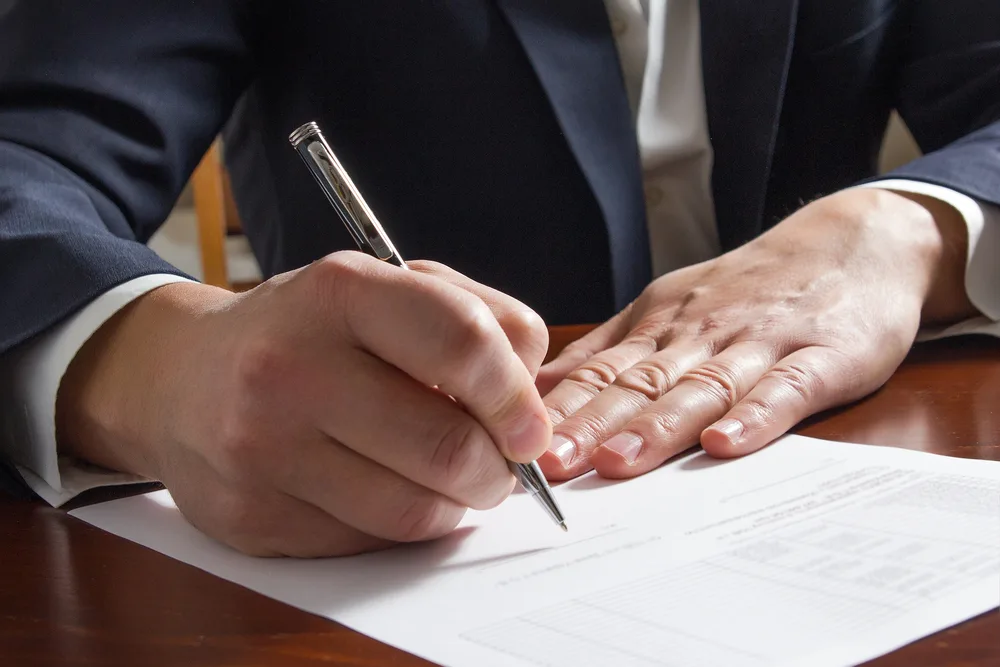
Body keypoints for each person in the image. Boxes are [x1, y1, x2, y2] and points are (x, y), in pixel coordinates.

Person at [0, 1, 997, 557]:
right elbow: (26, 157)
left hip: (817, 496)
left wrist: (905, 227)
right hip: (401, 538)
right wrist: (153, 369)